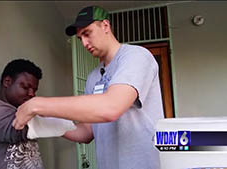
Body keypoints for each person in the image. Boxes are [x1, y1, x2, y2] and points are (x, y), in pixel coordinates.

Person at [13, 6, 164, 169]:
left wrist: (37, 105)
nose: (84, 43)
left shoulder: (135, 56)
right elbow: (86, 132)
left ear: (105, 26)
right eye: (80, 38)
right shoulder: (93, 77)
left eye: (87, 33)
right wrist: (45, 124)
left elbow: (111, 107)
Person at [0, 59, 44, 169]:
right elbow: (21, 128)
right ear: (7, 82)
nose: (31, 94)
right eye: (25, 87)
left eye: (34, 90)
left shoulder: (22, 113)